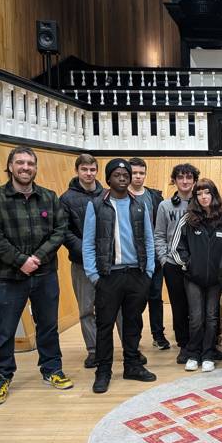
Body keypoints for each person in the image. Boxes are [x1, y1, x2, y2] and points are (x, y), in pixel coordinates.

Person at [0, 146, 72, 406]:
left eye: (30, 163)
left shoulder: (49, 197)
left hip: (44, 274)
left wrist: (37, 258)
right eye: (20, 162)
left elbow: (59, 231)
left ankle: (52, 369)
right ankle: (0, 376)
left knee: (48, 326)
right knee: (4, 330)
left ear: (35, 167)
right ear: (10, 166)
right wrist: (21, 261)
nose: (25, 167)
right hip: (9, 277)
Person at [83, 158, 157, 394]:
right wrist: (93, 274)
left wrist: (149, 272)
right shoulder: (96, 205)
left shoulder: (139, 205)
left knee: (133, 323)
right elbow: (88, 243)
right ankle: (103, 371)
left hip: (137, 274)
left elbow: (148, 238)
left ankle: (132, 365)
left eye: (126, 175)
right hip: (108, 276)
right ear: (108, 179)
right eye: (117, 175)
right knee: (105, 326)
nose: (123, 178)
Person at [171, 179, 222, 373]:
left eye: (207, 193)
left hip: (216, 281)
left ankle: (208, 354)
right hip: (193, 279)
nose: (203, 197)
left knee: (212, 317)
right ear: (195, 197)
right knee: (196, 318)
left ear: (214, 195)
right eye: (199, 194)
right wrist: (188, 265)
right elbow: (176, 248)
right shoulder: (187, 220)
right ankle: (193, 354)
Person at [60, 153, 104, 369]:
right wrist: (87, 252)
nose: (88, 173)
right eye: (84, 170)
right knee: (87, 309)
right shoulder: (66, 199)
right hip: (81, 264)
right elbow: (64, 232)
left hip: (107, 263)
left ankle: (127, 349)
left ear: (97, 171)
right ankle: (94, 351)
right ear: (77, 171)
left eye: (92, 169)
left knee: (119, 308)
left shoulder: (107, 195)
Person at [154, 163, 199, 364]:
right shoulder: (165, 206)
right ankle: (184, 345)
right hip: (173, 264)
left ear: (194, 180)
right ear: (175, 180)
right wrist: (164, 260)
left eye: (189, 177)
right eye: (180, 177)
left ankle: (201, 343)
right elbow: (159, 235)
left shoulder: (201, 203)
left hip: (196, 264)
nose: (185, 181)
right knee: (179, 306)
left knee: (197, 306)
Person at [127, 157, 167, 350]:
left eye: (141, 173)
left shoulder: (154, 197)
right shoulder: (121, 195)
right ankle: (134, 339)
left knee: (155, 298)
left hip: (154, 257)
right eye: (134, 173)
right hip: (132, 258)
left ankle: (158, 335)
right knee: (136, 301)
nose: (137, 177)